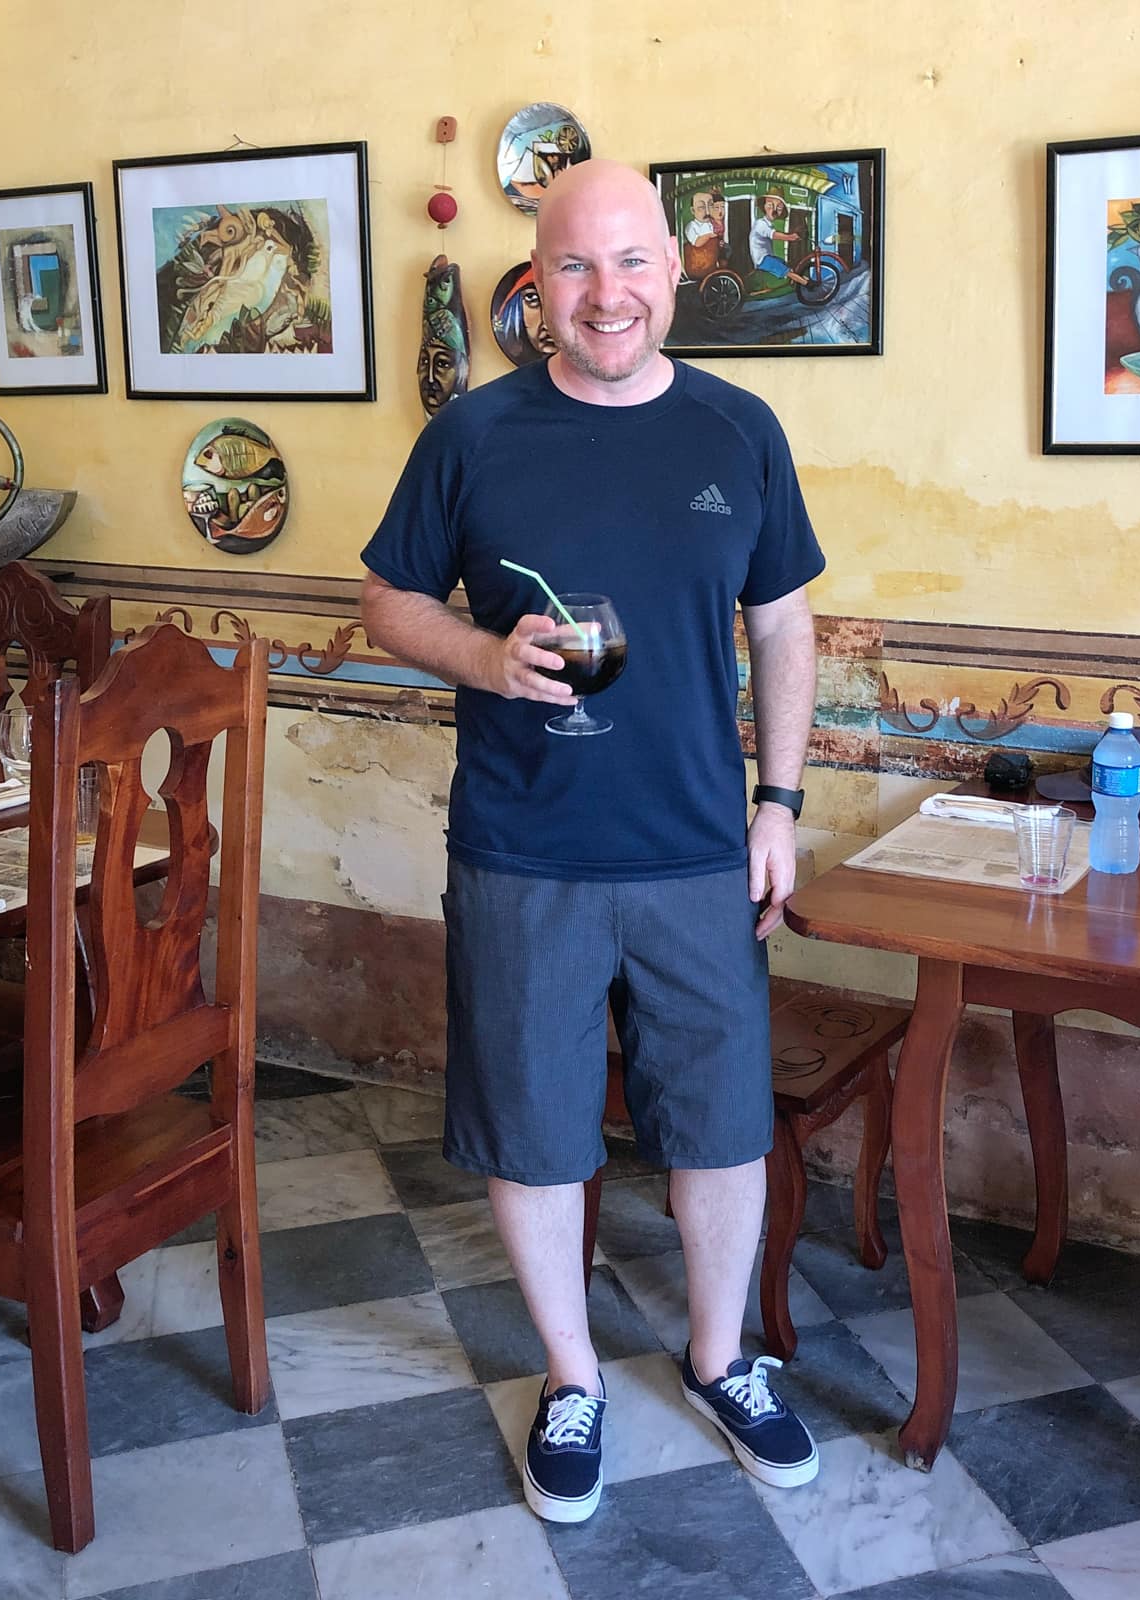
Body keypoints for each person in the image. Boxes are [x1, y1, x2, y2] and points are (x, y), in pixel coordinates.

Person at [360, 158, 824, 1527]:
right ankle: (573, 1380)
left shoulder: (740, 430)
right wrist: (488, 659)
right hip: (523, 852)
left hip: (698, 851)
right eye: (574, 267)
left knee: (722, 1129)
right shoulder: (472, 437)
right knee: (535, 1132)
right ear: (536, 283)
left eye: (630, 264)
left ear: (675, 271)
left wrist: (781, 805)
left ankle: (725, 1357)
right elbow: (386, 603)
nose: (605, 295)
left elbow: (785, 623)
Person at [749, 193, 809, 286]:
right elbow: (773, 235)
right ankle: (807, 284)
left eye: (779, 208)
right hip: (762, 259)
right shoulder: (760, 224)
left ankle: (795, 281)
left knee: (786, 264)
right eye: (770, 205)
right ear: (764, 207)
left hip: (767, 256)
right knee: (785, 270)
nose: (774, 210)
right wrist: (790, 237)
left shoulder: (768, 223)